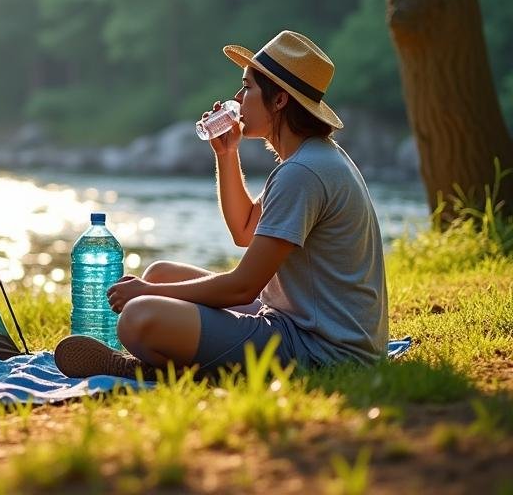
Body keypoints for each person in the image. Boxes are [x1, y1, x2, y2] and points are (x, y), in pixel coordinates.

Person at [54, 30, 388, 379]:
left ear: (279, 100)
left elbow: (243, 287)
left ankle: (150, 368)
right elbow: (245, 230)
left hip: (322, 349)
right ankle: (172, 360)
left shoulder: (302, 173)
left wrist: (147, 292)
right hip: (301, 322)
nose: (237, 98)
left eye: (247, 87)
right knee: (161, 273)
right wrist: (227, 154)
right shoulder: (312, 159)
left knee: (139, 314)